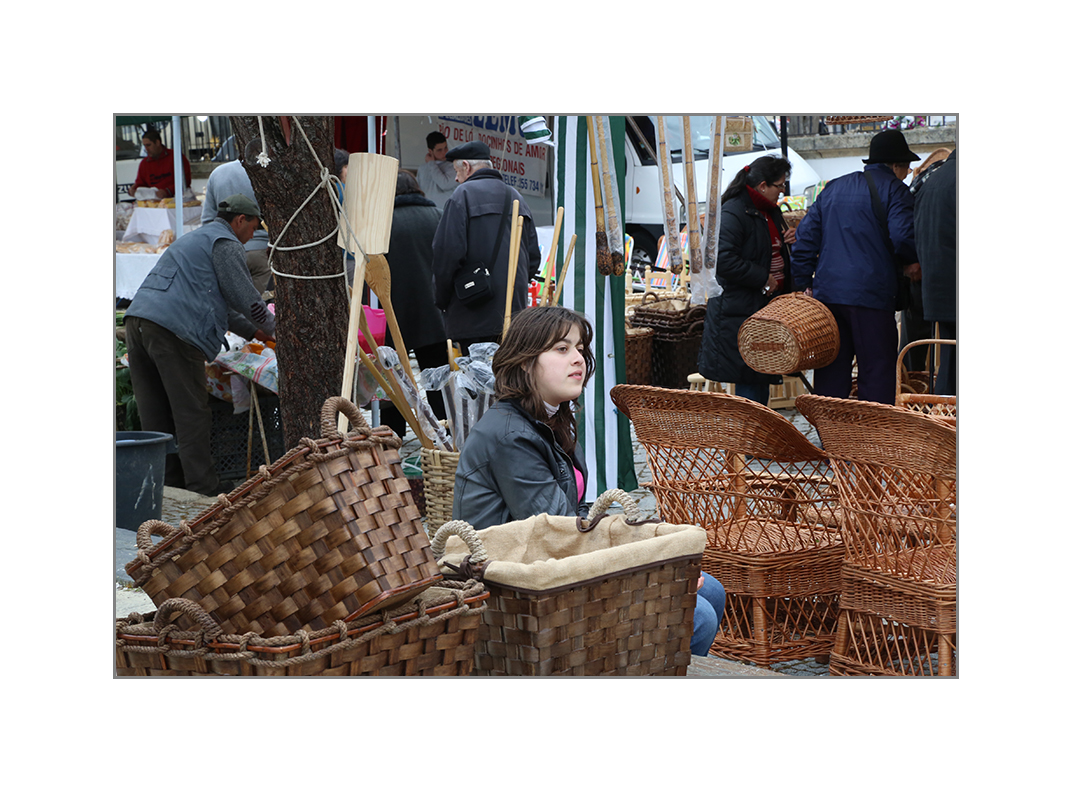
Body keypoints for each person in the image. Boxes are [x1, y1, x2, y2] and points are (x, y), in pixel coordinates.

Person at [454, 305, 725, 655]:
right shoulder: (509, 435)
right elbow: (560, 532)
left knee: (712, 590)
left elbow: (580, 514)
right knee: (696, 615)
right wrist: (649, 565)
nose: (578, 359)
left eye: (580, 348)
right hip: (511, 590)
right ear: (525, 362)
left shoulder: (552, 418)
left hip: (545, 569)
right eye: (562, 349)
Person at [123, 194, 277, 496]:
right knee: (191, 413)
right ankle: (203, 487)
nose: (251, 237)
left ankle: (166, 487)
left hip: (138, 321)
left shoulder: (197, 239)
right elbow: (246, 298)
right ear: (240, 220)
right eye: (253, 227)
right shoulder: (226, 243)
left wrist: (257, 334)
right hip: (174, 330)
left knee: (155, 415)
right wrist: (275, 329)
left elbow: (224, 305)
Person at [790, 129, 920, 405]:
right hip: (871, 295)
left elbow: (805, 239)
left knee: (831, 369)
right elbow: (902, 236)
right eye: (907, 167)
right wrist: (911, 262)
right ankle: (870, 439)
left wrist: (803, 284)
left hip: (828, 295)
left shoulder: (834, 187)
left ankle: (831, 437)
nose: (907, 174)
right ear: (895, 165)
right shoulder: (896, 190)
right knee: (876, 369)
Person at [696, 155, 796, 405]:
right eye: (780, 185)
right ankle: (748, 441)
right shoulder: (733, 211)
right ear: (763, 186)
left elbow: (762, 247)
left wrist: (784, 240)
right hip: (738, 311)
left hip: (761, 308)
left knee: (759, 378)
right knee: (750, 383)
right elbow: (723, 259)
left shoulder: (768, 211)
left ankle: (757, 440)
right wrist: (763, 278)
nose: (783, 191)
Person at [431, 140, 542, 353]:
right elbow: (533, 257)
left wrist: (442, 299)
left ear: (467, 166)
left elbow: (446, 255)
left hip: (471, 310)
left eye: (456, 170)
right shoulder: (516, 197)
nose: (455, 178)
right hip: (513, 312)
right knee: (506, 378)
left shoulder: (461, 197)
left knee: (476, 379)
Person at [378, 171, 450, 438]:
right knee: (438, 380)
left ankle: (392, 436)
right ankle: (444, 435)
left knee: (394, 380)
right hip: (433, 312)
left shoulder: (381, 224)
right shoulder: (439, 217)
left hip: (392, 313)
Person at [899, 148, 952, 371]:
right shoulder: (944, 180)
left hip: (922, 273)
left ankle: (912, 381)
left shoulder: (925, 181)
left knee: (917, 340)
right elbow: (903, 233)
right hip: (931, 274)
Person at [201, 137, 272, 295]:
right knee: (263, 310)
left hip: (227, 255)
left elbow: (207, 222)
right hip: (263, 252)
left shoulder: (218, 173)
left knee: (234, 313)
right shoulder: (270, 173)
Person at [914, 148, 956, 395]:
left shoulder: (931, 181)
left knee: (950, 362)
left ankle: (944, 423)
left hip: (937, 287)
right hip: (953, 284)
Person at [127, 127, 192, 199]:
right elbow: (141, 183)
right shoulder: (144, 163)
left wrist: (167, 191)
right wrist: (133, 189)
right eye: (144, 146)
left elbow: (185, 181)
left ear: (157, 143)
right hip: (154, 203)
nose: (146, 149)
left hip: (178, 199)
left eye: (148, 145)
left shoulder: (176, 156)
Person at [417, 131, 458, 209]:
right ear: (430, 151)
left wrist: (431, 164)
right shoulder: (422, 169)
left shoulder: (453, 167)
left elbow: (444, 184)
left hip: (446, 212)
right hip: (428, 211)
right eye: (439, 150)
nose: (444, 152)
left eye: (445, 148)